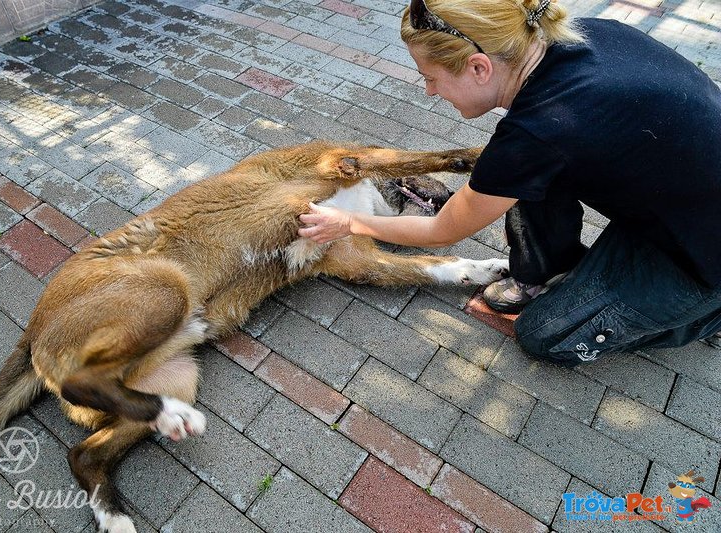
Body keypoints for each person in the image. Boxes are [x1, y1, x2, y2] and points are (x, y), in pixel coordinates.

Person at [298, 0, 721, 366]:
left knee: (545, 335)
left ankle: (707, 315)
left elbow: (441, 230)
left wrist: (347, 223)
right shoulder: (584, 37)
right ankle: (547, 272)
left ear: (479, 67)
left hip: (701, 258)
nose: (428, 91)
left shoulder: (539, 131)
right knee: (520, 175)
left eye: (431, 77)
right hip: (683, 210)